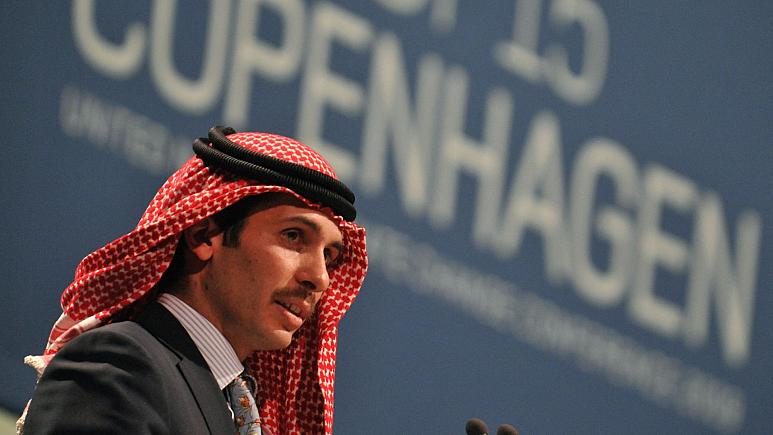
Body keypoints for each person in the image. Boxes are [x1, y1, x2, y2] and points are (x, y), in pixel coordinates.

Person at [19, 126, 368, 435]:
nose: (319, 278)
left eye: (329, 256)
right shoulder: (119, 367)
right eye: (293, 236)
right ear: (203, 236)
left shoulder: (236, 407)